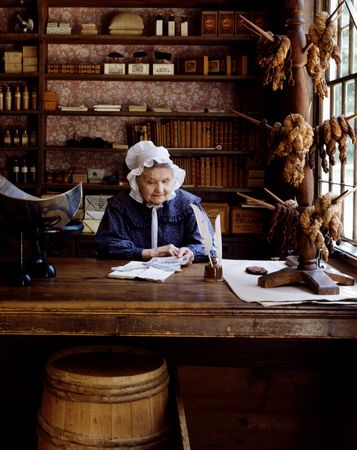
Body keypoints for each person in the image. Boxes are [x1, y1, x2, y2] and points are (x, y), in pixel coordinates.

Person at [95, 140, 215, 264]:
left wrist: (192, 251)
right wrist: (150, 253)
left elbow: (210, 245)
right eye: (151, 182)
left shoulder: (188, 204)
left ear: (173, 179)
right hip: (130, 278)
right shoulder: (119, 205)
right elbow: (106, 244)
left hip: (179, 279)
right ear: (137, 182)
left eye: (165, 181)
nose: (159, 189)